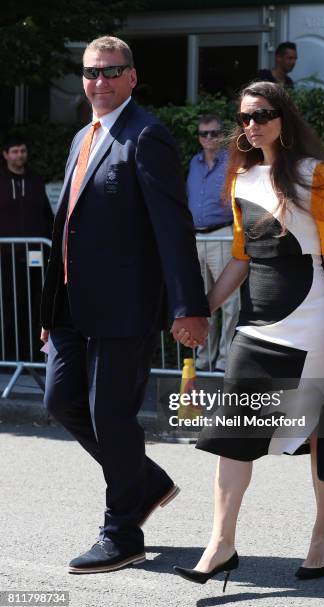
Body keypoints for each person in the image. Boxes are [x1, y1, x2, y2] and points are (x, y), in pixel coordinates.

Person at [173, 81, 324, 589]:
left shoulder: (316, 176)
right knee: (234, 431)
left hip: (315, 321)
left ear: (284, 118)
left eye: (262, 115)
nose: (251, 125)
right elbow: (240, 259)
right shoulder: (239, 177)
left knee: (320, 434)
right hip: (256, 323)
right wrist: (203, 310)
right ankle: (221, 544)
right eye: (245, 117)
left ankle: (322, 535)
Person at [40, 35, 209, 574]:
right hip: (71, 304)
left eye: (112, 72)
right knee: (60, 402)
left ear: (132, 77)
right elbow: (65, 227)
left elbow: (172, 227)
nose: (100, 81)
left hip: (127, 306)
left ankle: (122, 530)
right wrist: (48, 314)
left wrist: (189, 305)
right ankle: (148, 482)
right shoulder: (82, 138)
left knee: (109, 415)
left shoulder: (147, 135)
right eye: (92, 72)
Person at [187, 115, 239, 371]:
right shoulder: (194, 163)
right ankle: (204, 357)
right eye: (204, 134)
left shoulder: (231, 162)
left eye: (214, 133)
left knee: (229, 302)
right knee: (201, 301)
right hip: (197, 237)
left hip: (223, 234)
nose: (209, 138)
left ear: (222, 135)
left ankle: (225, 359)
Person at [0, 137, 53, 361]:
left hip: (34, 255)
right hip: (5, 256)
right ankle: (7, 356)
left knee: (34, 305)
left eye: (22, 150)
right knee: (8, 305)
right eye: (15, 151)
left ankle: (32, 356)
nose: (20, 155)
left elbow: (46, 215)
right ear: (6, 155)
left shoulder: (35, 180)